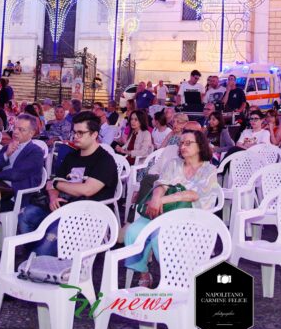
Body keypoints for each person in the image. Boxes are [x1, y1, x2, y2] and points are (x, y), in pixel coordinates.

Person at [122, 127, 220, 287]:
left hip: (191, 216)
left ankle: (175, 276)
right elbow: (162, 183)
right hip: (165, 212)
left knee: (159, 234)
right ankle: (144, 272)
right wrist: (155, 197)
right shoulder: (174, 163)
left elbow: (194, 194)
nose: (183, 146)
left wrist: (162, 200)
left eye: (188, 143)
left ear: (200, 146)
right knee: (133, 231)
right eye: (181, 143)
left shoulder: (209, 169)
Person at [17, 111, 118, 256]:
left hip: (87, 214)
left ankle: (41, 259)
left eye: (80, 133)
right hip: (62, 206)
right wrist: (53, 198)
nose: (75, 137)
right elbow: (52, 182)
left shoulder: (104, 160)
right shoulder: (72, 156)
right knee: (26, 215)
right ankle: (34, 257)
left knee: (46, 242)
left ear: (94, 135)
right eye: (74, 132)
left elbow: (87, 190)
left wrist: (58, 185)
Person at [0, 113, 45, 210]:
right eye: (14, 128)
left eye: (21, 129)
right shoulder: (8, 147)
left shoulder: (35, 152)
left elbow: (15, 174)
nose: (15, 132)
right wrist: (6, 154)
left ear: (31, 133)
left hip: (16, 196)